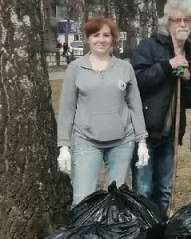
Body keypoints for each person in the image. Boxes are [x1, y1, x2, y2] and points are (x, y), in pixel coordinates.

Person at [57, 17, 148, 206]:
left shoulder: (125, 68)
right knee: (83, 199)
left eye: (106, 35)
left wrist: (142, 141)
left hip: (122, 141)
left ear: (113, 38)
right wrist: (64, 146)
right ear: (88, 39)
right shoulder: (75, 68)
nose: (101, 40)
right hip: (86, 140)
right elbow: (67, 109)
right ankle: (83, 235)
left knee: (115, 201)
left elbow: (135, 105)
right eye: (95, 35)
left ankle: (110, 235)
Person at [130, 0, 191, 214]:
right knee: (143, 190)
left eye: (187, 20)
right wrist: (167, 66)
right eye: (177, 20)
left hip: (171, 134)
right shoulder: (150, 46)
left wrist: (189, 79)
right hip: (145, 131)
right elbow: (136, 81)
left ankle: (161, 235)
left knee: (165, 190)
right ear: (168, 23)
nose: (182, 24)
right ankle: (143, 237)